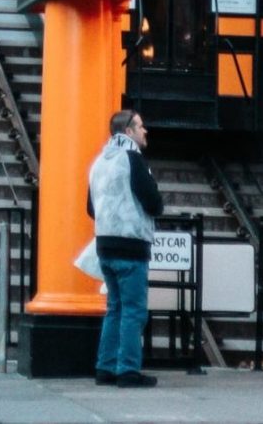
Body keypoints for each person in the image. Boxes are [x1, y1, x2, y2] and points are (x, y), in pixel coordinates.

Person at [86, 110, 164, 389]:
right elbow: (153, 202)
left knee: (114, 308)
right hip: (131, 245)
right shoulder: (133, 159)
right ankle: (128, 370)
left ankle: (105, 368)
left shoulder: (99, 162)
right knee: (133, 311)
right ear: (128, 132)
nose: (146, 132)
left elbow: (90, 207)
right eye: (141, 127)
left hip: (105, 245)